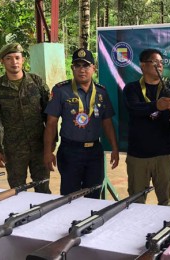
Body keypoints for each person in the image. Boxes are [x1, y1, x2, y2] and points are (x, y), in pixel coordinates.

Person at [43, 48, 119, 199]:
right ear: (72, 68)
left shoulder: (101, 92)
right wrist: (47, 152)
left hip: (94, 152)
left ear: (93, 68)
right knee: (70, 196)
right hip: (70, 151)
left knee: (94, 195)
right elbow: (51, 123)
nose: (82, 70)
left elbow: (107, 122)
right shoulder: (60, 90)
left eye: (86, 65)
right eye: (77, 66)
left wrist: (115, 148)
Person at [0, 43, 51, 193]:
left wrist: (51, 143)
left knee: (43, 188)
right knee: (17, 191)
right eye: (9, 58)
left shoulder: (36, 82)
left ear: (23, 60)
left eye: (17, 57)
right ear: (2, 61)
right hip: (14, 149)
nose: (14, 62)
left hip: (39, 147)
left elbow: (49, 116)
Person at [123, 48, 170, 206]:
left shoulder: (169, 89)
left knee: (166, 202)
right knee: (136, 202)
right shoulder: (131, 88)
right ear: (143, 65)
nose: (160, 66)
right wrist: (157, 105)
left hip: (164, 155)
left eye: (162, 63)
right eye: (155, 62)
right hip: (138, 156)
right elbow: (134, 109)